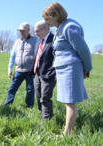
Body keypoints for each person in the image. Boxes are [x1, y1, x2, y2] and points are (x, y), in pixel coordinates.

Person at [42, 2, 92, 135]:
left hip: (71, 68)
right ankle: (69, 130)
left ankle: (67, 134)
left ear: (56, 15)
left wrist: (87, 68)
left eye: (47, 18)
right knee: (67, 102)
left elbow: (83, 50)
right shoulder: (60, 28)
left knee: (70, 103)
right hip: (64, 69)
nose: (45, 22)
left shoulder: (70, 27)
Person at [4, 22, 38, 108]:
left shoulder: (35, 40)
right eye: (20, 31)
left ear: (28, 30)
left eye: (23, 31)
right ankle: (8, 104)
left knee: (30, 90)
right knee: (12, 88)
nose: (21, 32)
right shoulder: (17, 42)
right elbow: (12, 56)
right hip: (18, 70)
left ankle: (29, 106)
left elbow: (39, 54)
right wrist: (10, 68)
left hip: (30, 71)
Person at [30, 20, 56, 120]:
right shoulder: (38, 44)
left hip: (49, 74)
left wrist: (55, 73)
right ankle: (42, 116)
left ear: (46, 29)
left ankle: (46, 120)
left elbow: (59, 58)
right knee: (38, 97)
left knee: (45, 98)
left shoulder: (54, 40)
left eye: (37, 31)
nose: (35, 34)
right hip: (37, 74)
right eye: (35, 32)